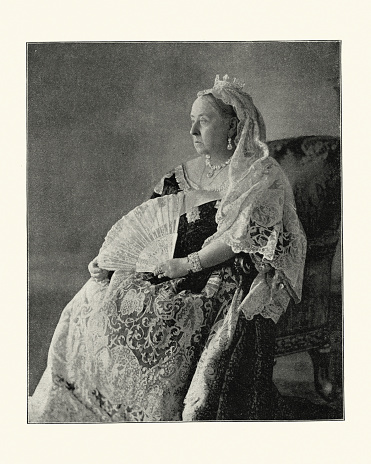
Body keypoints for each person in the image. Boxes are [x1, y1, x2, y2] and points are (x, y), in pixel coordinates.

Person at [29, 75, 306, 422]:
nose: (192, 131)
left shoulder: (259, 174)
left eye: (203, 121)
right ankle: (98, 407)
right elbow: (140, 228)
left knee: (174, 312)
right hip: (164, 265)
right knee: (97, 295)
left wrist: (186, 265)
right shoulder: (182, 174)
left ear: (234, 124)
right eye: (191, 121)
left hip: (218, 271)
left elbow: (239, 238)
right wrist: (107, 260)